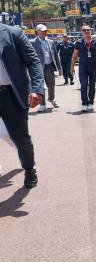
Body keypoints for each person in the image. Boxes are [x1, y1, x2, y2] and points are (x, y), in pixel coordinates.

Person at [0, 22, 45, 188]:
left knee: (21, 138)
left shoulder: (13, 33)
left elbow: (33, 62)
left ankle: (29, 168)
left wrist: (37, 90)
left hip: (12, 94)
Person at [71, 25, 96, 112]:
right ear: (82, 32)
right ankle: (84, 103)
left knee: (92, 85)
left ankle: (91, 102)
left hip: (94, 67)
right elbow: (74, 55)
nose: (86, 31)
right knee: (84, 85)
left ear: (91, 31)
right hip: (83, 67)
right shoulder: (78, 43)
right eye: (84, 30)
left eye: (88, 30)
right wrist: (72, 67)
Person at [31, 24, 62, 112]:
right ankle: (42, 104)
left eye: (45, 31)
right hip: (38, 68)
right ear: (38, 32)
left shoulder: (51, 42)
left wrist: (59, 68)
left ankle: (51, 99)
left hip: (49, 67)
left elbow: (56, 56)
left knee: (51, 85)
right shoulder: (32, 42)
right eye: (43, 31)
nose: (45, 33)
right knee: (41, 87)